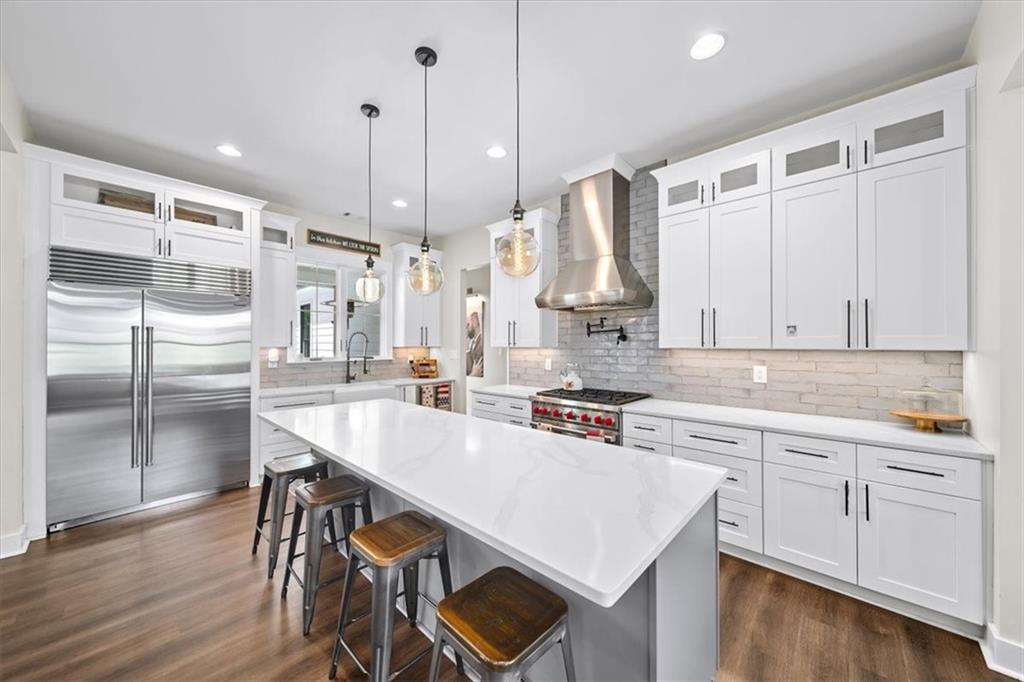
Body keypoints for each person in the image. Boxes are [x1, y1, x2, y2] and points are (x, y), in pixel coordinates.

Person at [465, 310, 484, 377]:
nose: (467, 327)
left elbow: (478, 366)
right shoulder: (472, 342)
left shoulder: (481, 342)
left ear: (474, 321)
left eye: (468, 324)